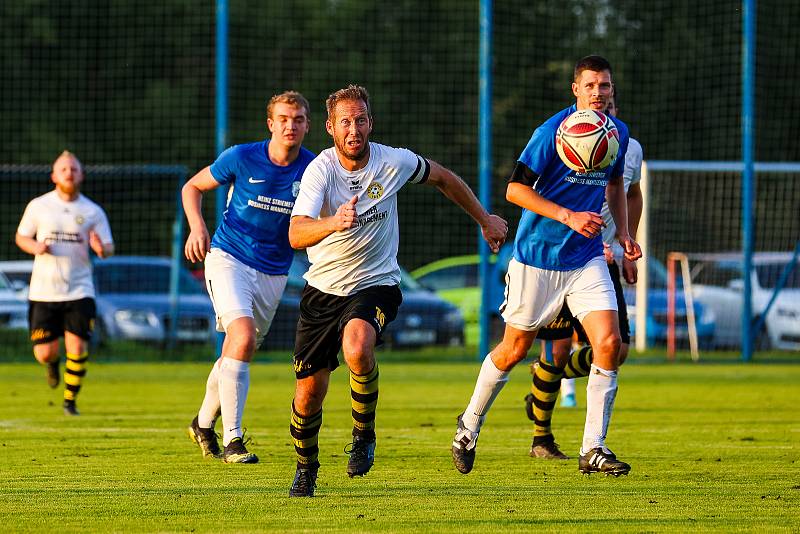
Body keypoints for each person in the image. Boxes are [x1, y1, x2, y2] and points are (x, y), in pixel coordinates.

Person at [286, 84, 508, 497]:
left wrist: (483, 218)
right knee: (308, 394)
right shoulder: (319, 170)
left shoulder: (394, 161)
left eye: (361, 120)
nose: (354, 129)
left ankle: (364, 433)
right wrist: (333, 222)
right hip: (322, 290)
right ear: (331, 128)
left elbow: (444, 178)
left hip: (377, 283)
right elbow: (296, 233)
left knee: (357, 346)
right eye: (345, 122)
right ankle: (306, 467)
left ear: (371, 122)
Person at [451, 55, 641, 477]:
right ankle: (469, 424)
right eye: (590, 85)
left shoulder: (619, 135)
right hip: (537, 257)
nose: (598, 93)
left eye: (605, 86)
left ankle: (593, 447)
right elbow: (515, 190)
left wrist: (623, 235)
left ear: (612, 91)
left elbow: (616, 186)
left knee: (609, 344)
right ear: (575, 89)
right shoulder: (550, 131)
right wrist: (568, 216)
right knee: (514, 349)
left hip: (586, 257)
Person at [183, 91, 315, 464]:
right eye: (284, 118)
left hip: (274, 271)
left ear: (308, 125)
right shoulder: (242, 157)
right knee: (240, 337)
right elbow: (192, 187)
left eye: (299, 119)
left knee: (237, 350)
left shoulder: (314, 168)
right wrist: (197, 228)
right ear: (270, 123)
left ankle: (203, 423)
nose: (291, 125)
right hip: (229, 258)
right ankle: (234, 441)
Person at [523, 90, 645, 461]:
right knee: (558, 349)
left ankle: (546, 377)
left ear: (616, 112)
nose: (601, 110)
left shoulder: (628, 147)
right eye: (597, 104)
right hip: (561, 257)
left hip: (602, 259)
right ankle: (541, 439)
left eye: (608, 106)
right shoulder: (564, 138)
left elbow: (632, 193)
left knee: (617, 349)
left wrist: (626, 243)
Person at [15, 150, 115, 416]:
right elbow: (21, 237)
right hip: (44, 291)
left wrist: (100, 249)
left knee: (78, 346)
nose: (69, 172)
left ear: (81, 175)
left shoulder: (92, 211)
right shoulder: (39, 206)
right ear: (54, 176)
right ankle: (51, 365)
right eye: (64, 169)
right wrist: (35, 246)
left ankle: (70, 402)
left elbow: (108, 247)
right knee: (45, 353)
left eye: (74, 168)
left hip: (80, 288)